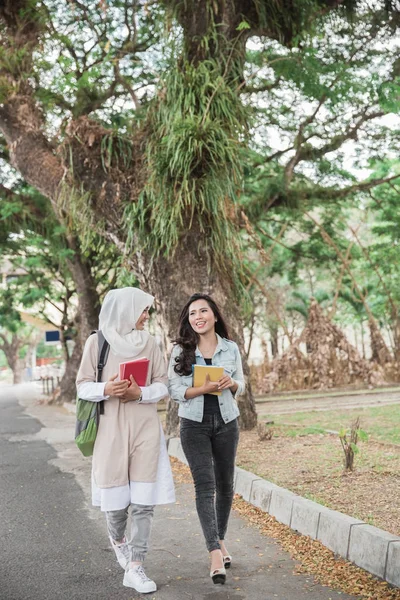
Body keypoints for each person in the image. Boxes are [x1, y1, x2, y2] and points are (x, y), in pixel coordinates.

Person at [76, 287, 175, 594]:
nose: (146, 315)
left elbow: (163, 385)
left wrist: (140, 393)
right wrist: (107, 388)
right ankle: (119, 540)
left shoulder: (149, 342)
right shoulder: (98, 341)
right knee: (116, 505)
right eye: (143, 309)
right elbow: (81, 386)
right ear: (126, 310)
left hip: (145, 426)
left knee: (144, 502)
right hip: (110, 429)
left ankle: (136, 566)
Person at [168, 292, 245, 585]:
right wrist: (203, 387)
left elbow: (242, 383)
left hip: (227, 421)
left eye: (203, 311)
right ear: (189, 321)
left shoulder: (231, 348)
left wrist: (233, 383)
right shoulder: (180, 350)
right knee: (205, 487)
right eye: (192, 314)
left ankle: (220, 539)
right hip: (194, 424)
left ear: (214, 315)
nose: (198, 317)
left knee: (225, 486)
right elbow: (174, 390)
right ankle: (214, 552)